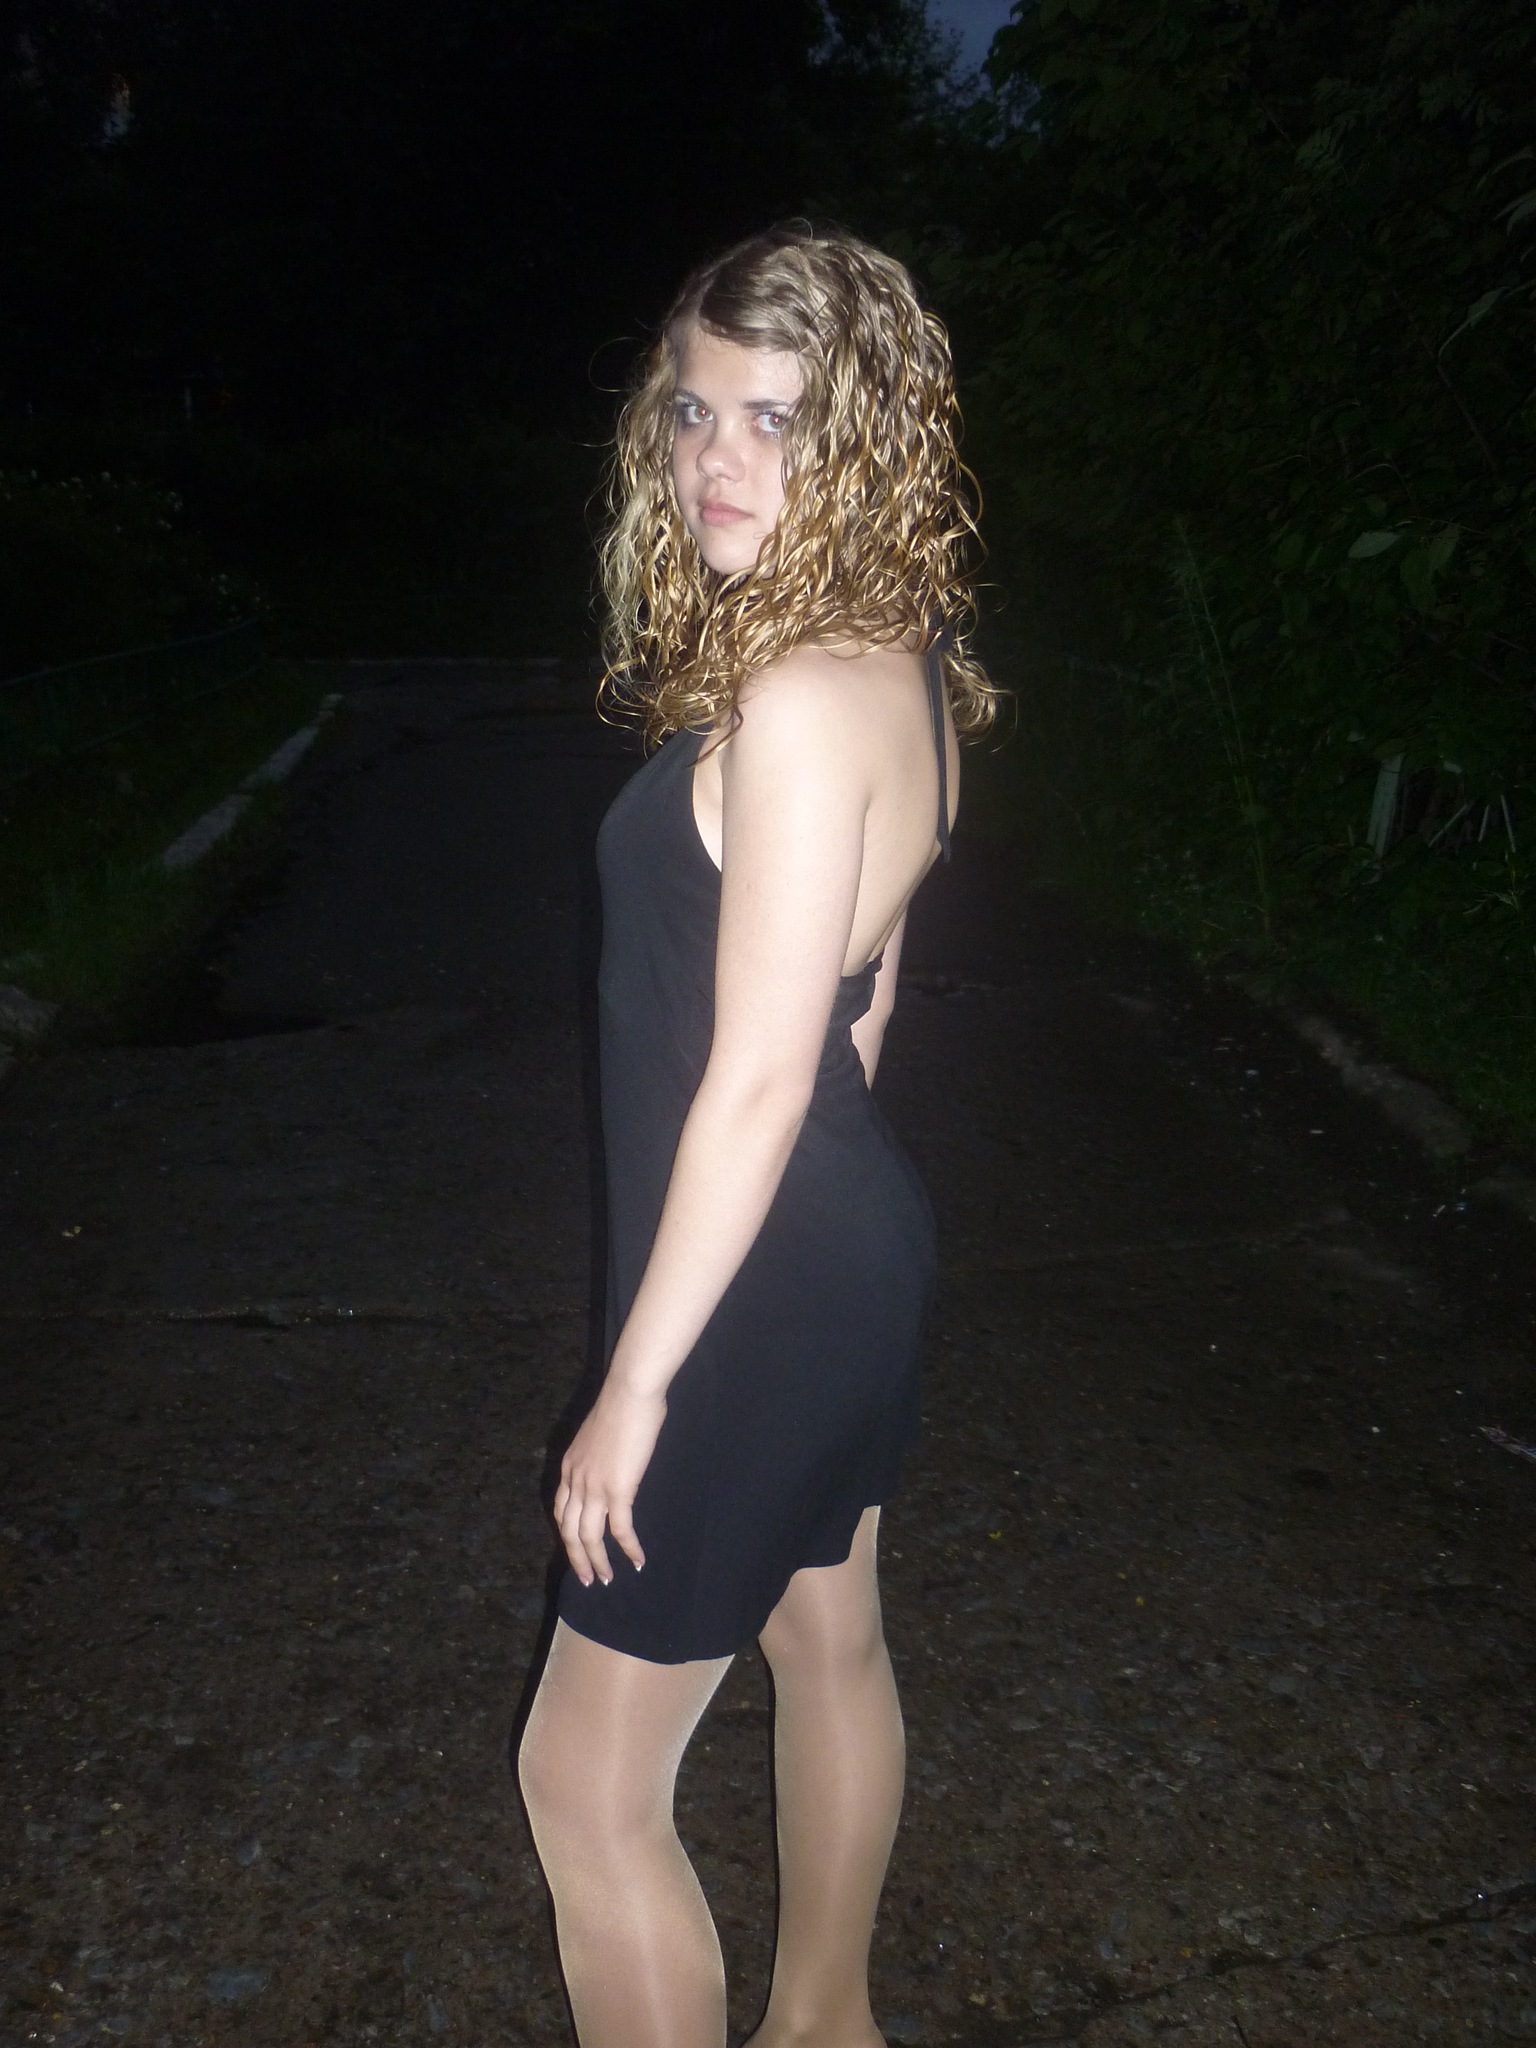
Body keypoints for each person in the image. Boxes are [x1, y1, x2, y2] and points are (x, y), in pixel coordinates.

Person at [517, 223, 997, 2048]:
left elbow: (763, 1081)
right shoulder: (899, 661)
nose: (717, 459)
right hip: (834, 1250)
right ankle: (827, 2025)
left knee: (585, 1786)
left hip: (752, 1284)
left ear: (860, 435)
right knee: (827, 1635)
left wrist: (637, 1385)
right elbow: (860, 1006)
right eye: (693, 410)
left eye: (776, 419)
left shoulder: (798, 700)